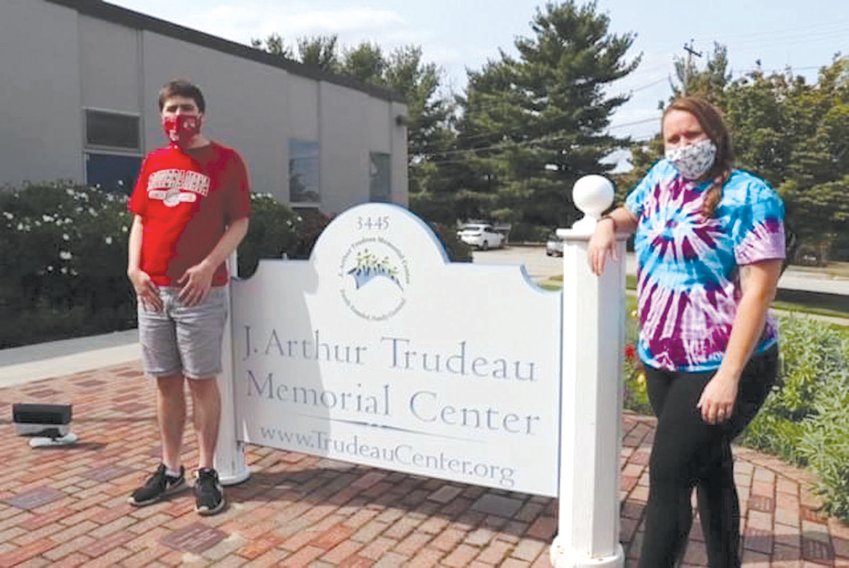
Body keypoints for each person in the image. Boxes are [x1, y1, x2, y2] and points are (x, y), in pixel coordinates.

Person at [588, 96, 785, 567]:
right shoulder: (661, 180)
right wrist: (603, 224)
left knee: (668, 476)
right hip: (663, 362)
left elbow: (759, 291)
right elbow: (629, 213)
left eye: (691, 135)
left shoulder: (750, 196)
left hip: (726, 365)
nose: (681, 147)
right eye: (672, 138)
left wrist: (729, 376)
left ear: (715, 137)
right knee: (711, 470)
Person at [126, 79, 250, 516]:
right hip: (152, 292)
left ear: (202, 112)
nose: (178, 117)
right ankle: (169, 466)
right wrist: (133, 269)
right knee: (165, 381)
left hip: (199, 291)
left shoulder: (226, 161)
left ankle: (206, 471)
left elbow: (239, 224)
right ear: (161, 116)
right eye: (171, 109)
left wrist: (208, 265)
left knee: (201, 381)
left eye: (186, 108)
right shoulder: (154, 162)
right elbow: (141, 219)